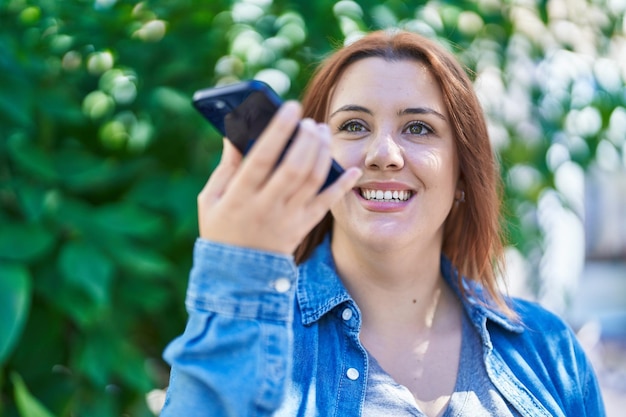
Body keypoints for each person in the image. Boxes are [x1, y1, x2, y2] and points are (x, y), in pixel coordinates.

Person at [160, 30, 605, 417]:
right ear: (312, 156)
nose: (384, 154)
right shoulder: (250, 334)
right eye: (353, 125)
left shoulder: (546, 346)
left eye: (418, 128)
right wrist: (236, 272)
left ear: (462, 174)